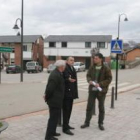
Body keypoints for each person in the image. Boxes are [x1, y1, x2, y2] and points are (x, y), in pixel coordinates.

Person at [81, 53, 112, 131]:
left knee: (101, 107)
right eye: (94, 58)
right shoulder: (92, 67)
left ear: (101, 59)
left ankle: (100, 123)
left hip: (101, 91)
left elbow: (109, 79)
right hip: (92, 90)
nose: (94, 59)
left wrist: (100, 84)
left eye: (96, 58)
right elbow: (88, 75)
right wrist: (89, 81)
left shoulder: (106, 68)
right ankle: (87, 122)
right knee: (89, 107)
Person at [44, 60, 66, 140]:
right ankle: (48, 137)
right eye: (64, 66)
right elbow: (50, 88)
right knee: (52, 119)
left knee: (55, 118)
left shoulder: (58, 73)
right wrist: (46, 96)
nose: (65, 67)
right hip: (54, 101)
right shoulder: (55, 75)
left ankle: (53, 132)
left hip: (57, 100)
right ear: (61, 67)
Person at [62, 56, 78, 135]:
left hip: (71, 93)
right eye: (71, 60)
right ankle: (65, 128)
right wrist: (68, 79)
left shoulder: (72, 68)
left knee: (69, 110)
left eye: (73, 60)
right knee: (66, 110)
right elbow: (64, 78)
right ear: (67, 61)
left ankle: (67, 125)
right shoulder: (65, 68)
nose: (72, 61)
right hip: (66, 93)